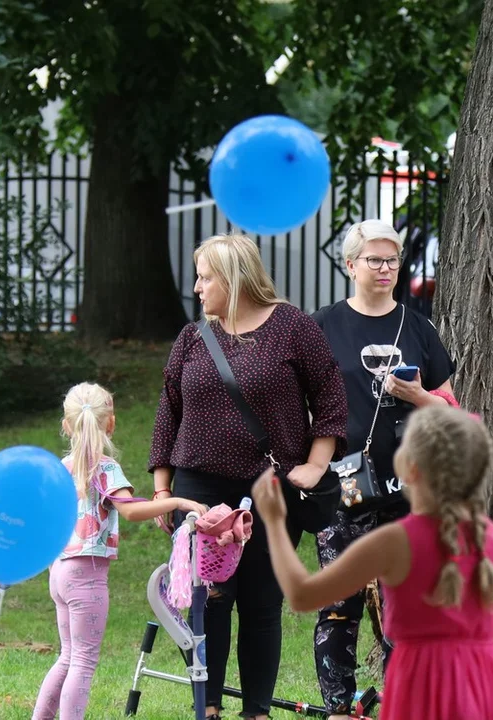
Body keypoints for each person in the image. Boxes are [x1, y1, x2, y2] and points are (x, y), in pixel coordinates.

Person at [148, 233, 348, 720]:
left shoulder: (292, 327)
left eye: (205, 276)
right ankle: (208, 707)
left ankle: (256, 712)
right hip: (199, 494)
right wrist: (162, 489)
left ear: (233, 278)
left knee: (261, 606)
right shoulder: (193, 337)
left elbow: (330, 398)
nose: (197, 287)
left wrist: (316, 464)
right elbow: (168, 412)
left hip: (269, 491)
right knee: (205, 605)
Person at [252, 405, 493, 720]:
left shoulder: (396, 541)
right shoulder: (490, 538)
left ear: (408, 468)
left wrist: (275, 523)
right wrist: (462, 635)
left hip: (421, 688)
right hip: (489, 687)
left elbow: (303, 595)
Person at [310, 219, 456, 718]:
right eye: (374, 259)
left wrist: (418, 396)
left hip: (408, 488)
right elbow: (295, 403)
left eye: (392, 260)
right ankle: (338, 707)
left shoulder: (417, 327)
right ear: (350, 265)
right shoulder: (322, 325)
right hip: (342, 484)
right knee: (339, 602)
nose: (385, 268)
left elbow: (450, 406)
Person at [32, 382, 206, 720]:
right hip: (86, 576)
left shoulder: (61, 466)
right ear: (110, 423)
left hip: (60, 571)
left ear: (67, 425)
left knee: (68, 655)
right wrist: (179, 501)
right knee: (83, 660)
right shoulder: (104, 467)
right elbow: (130, 510)